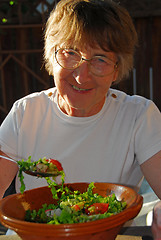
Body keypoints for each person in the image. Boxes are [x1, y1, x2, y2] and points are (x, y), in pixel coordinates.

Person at [0, 0, 161, 237]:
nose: (81, 76)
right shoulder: (26, 113)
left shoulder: (138, 116)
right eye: (70, 53)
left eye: (100, 59)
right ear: (51, 57)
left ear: (117, 70)